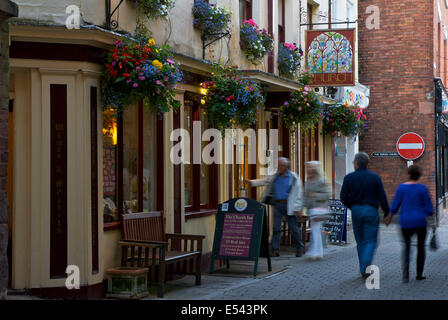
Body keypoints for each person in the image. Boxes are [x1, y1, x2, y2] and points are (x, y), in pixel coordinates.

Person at [340, 152, 390, 279]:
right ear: (367, 164)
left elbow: (343, 197)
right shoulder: (375, 177)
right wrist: (387, 213)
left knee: (360, 241)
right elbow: (382, 196)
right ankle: (366, 265)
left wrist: (353, 206)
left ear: (356, 164)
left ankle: (363, 268)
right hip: (371, 210)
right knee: (371, 240)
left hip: (356, 210)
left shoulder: (348, 178)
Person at [384, 165, 435, 282]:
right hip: (421, 222)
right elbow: (429, 208)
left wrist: (389, 217)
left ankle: (406, 273)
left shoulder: (401, 188)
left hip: (405, 222)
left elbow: (395, 205)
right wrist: (432, 223)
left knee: (406, 247)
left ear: (408, 175)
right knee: (421, 248)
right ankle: (419, 274)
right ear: (419, 176)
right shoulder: (423, 188)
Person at [246, 157, 305, 257]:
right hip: (277, 205)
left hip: (289, 205)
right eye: (278, 165)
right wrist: (252, 182)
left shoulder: (294, 177)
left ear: (286, 167)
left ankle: (300, 248)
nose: (278, 167)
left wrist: (298, 208)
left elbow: (299, 193)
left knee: (294, 228)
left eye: (280, 165)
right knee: (276, 228)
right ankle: (275, 250)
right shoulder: (275, 176)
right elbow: (264, 181)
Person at [303, 161, 330, 260]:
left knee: (315, 230)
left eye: (310, 167)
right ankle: (318, 251)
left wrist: (315, 195)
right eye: (308, 167)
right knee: (316, 230)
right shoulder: (308, 181)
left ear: (315, 169)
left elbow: (327, 194)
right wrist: (303, 207)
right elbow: (305, 196)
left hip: (320, 209)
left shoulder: (321, 180)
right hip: (312, 209)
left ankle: (316, 251)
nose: (308, 169)